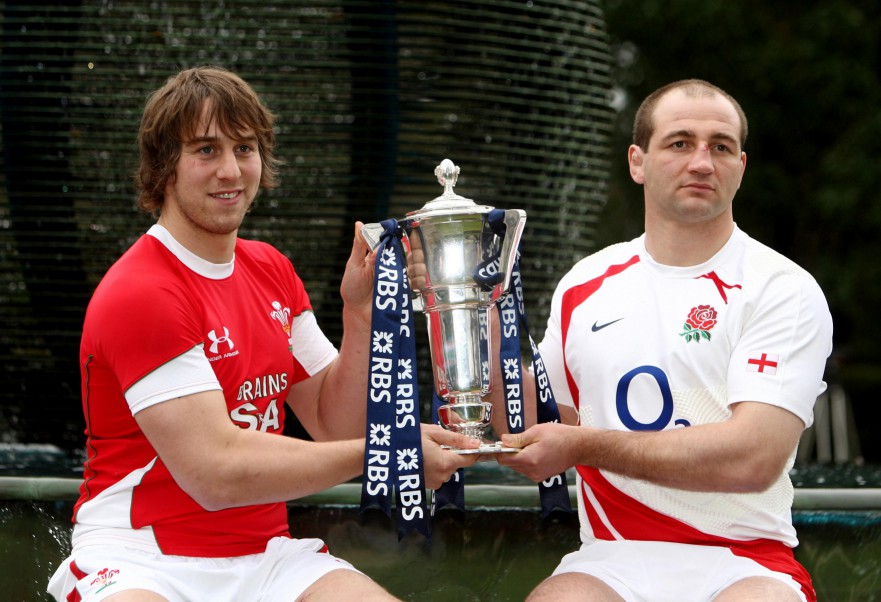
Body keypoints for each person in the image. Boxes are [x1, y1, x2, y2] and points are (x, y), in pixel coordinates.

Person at [46, 66, 478, 602]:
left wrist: (361, 310)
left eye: (245, 149)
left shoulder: (270, 268)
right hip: (141, 559)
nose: (231, 170)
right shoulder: (141, 290)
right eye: (206, 150)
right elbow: (215, 472)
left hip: (264, 555)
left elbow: (332, 423)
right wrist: (390, 452)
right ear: (164, 168)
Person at [494, 79, 832, 602]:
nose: (702, 162)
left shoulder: (781, 286)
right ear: (637, 161)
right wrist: (473, 322)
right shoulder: (586, 283)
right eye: (680, 143)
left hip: (744, 561)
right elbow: (538, 431)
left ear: (741, 166)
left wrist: (585, 445)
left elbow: (754, 458)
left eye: (720, 146)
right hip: (610, 556)